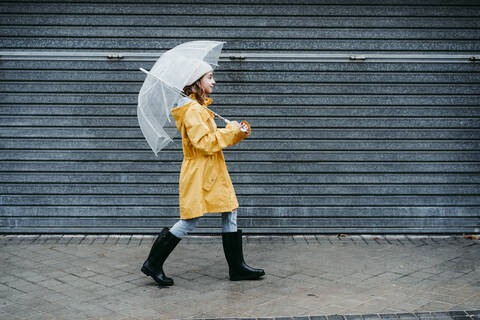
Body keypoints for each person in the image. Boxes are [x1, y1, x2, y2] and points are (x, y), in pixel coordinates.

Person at [141, 59, 265, 286]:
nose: (213, 81)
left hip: (211, 169)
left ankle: (237, 268)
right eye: (209, 77)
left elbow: (212, 141)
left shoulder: (198, 108)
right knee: (190, 219)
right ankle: (153, 262)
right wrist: (230, 131)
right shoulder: (191, 111)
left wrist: (238, 132)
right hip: (200, 172)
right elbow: (205, 143)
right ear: (196, 83)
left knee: (230, 209)